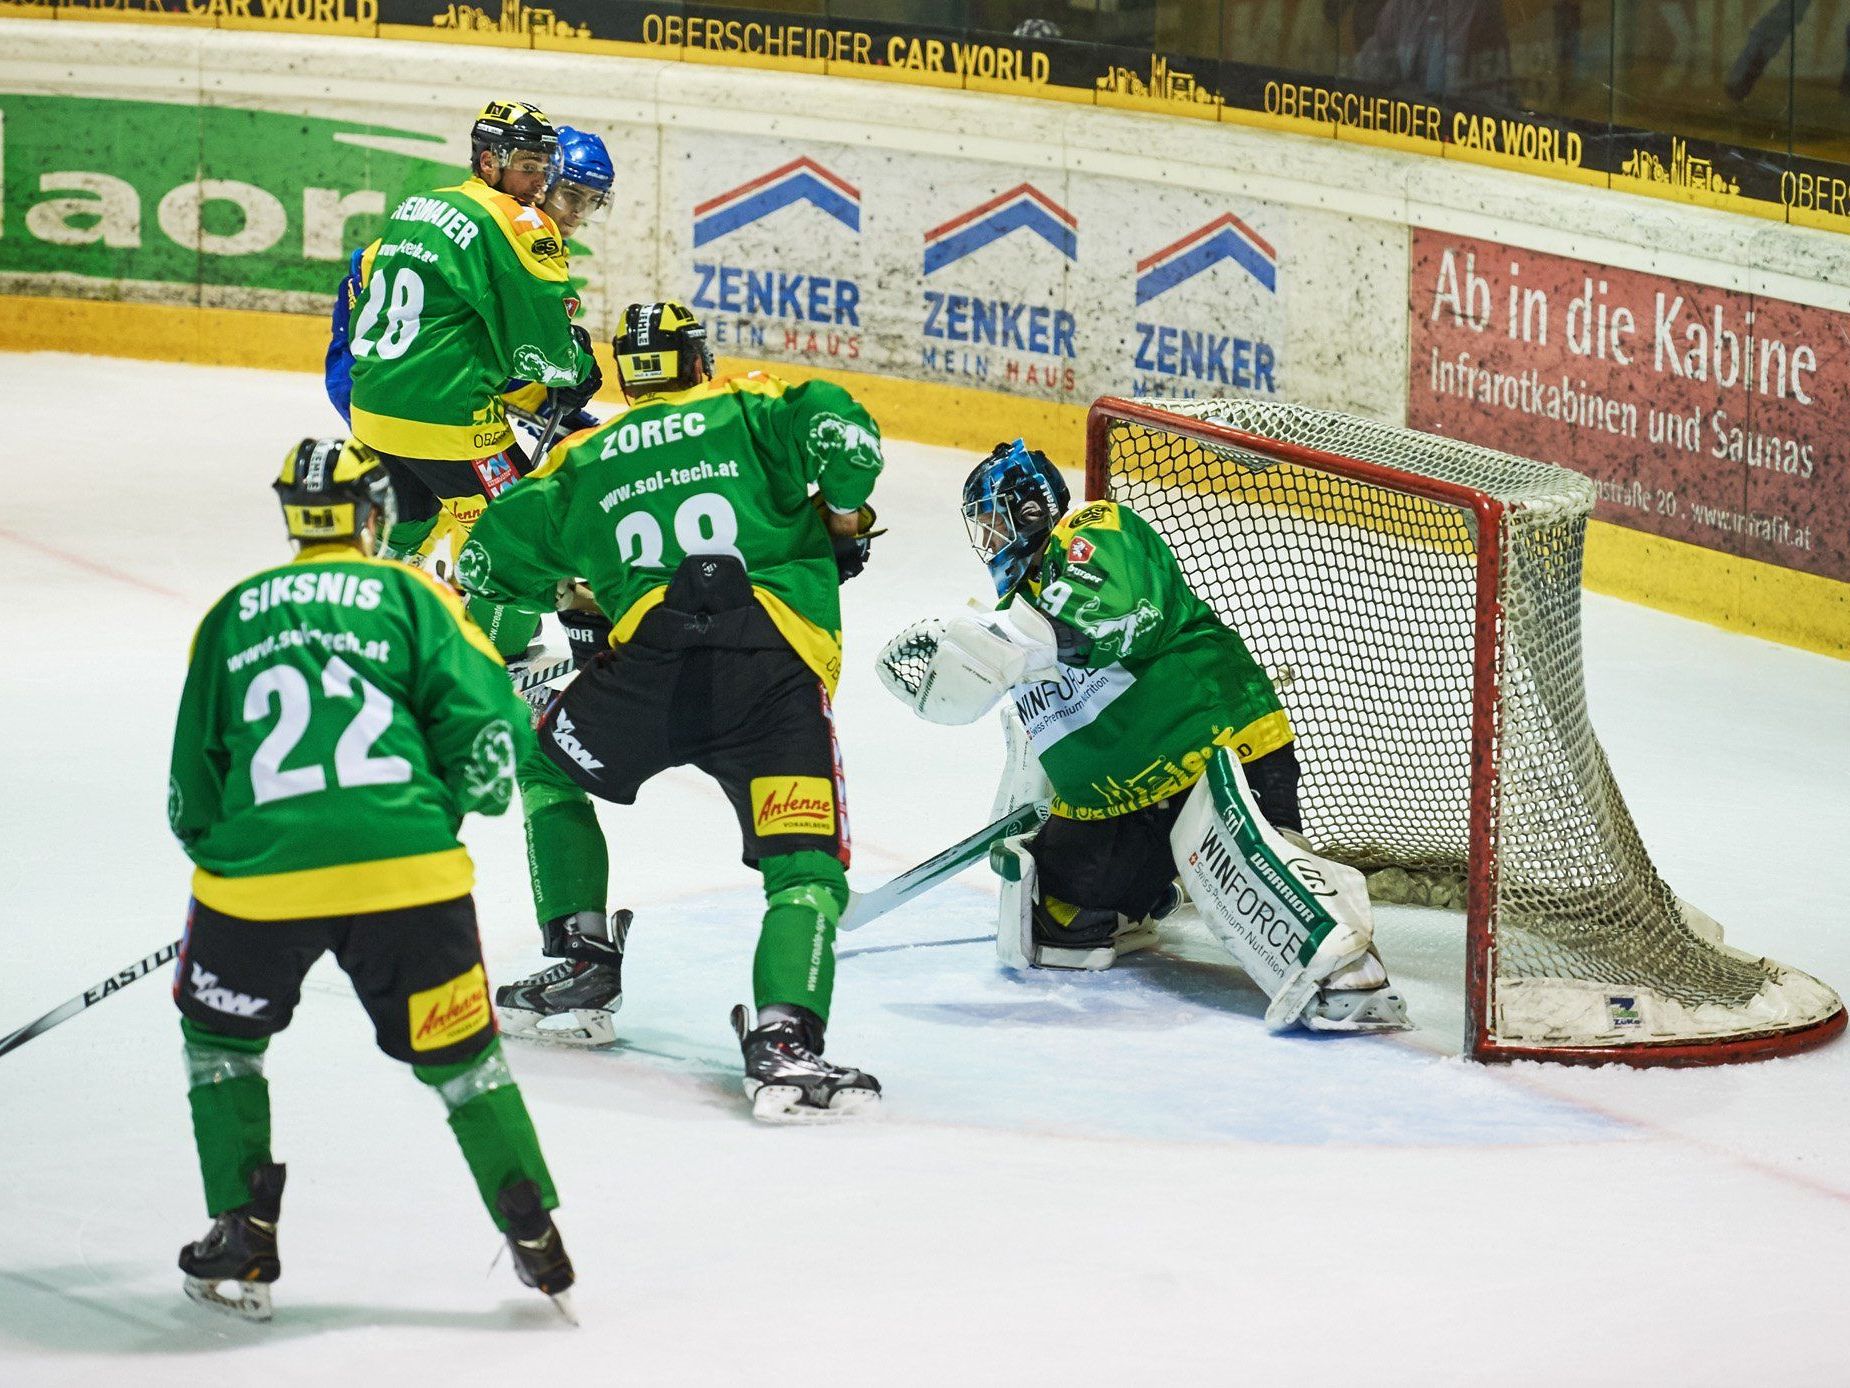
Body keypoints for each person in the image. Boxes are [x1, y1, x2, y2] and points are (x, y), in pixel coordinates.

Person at [167, 438, 574, 1322]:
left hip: (257, 887)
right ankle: (535, 1230)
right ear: (371, 511)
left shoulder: (233, 612)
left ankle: (242, 1229)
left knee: (221, 1046)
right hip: (410, 882)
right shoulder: (412, 595)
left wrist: (226, 858)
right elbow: (494, 731)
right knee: (465, 1064)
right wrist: (441, 817)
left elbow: (192, 787)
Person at [454, 300, 888, 1122]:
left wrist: (562, 585)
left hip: (650, 672)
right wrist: (840, 514)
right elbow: (843, 433)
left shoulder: (585, 457)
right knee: (804, 867)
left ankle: (581, 957)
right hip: (771, 675)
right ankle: (785, 1046)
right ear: (697, 360)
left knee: (546, 765)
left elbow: (487, 556)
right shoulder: (749, 404)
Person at [877, 440, 1409, 1033]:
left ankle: (1352, 972)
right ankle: (1150, 891)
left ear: (1030, 511)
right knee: (1056, 925)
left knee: (1267, 887)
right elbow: (1039, 733)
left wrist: (1002, 642)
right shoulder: (1010, 614)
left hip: (1215, 753)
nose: (990, 543)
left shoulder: (1091, 531)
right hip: (1122, 807)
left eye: (995, 524)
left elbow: (1114, 616)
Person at [328, 120, 616, 659]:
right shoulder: (518, 228)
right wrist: (565, 374)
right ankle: (481, 648)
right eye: (567, 192)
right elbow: (529, 353)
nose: (576, 212)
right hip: (428, 402)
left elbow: (481, 345)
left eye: (591, 200)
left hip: (388, 394)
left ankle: (381, 622)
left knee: (417, 512)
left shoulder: (436, 213)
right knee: (512, 525)